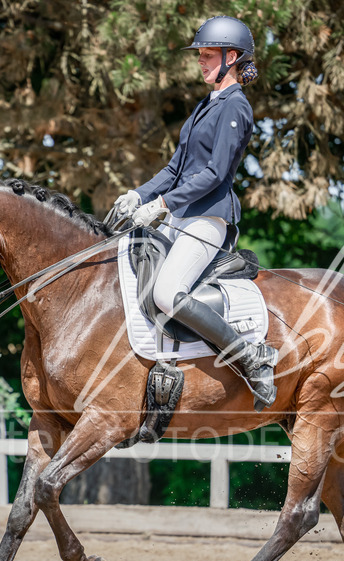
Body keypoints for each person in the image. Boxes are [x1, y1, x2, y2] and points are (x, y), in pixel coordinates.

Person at [112, 15, 277, 411]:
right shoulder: (207, 104)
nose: (200, 62)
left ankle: (251, 357)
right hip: (180, 216)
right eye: (200, 55)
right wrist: (138, 194)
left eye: (207, 55)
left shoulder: (235, 107)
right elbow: (174, 170)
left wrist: (163, 204)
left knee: (168, 292)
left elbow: (215, 173)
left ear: (231, 57)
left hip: (207, 218)